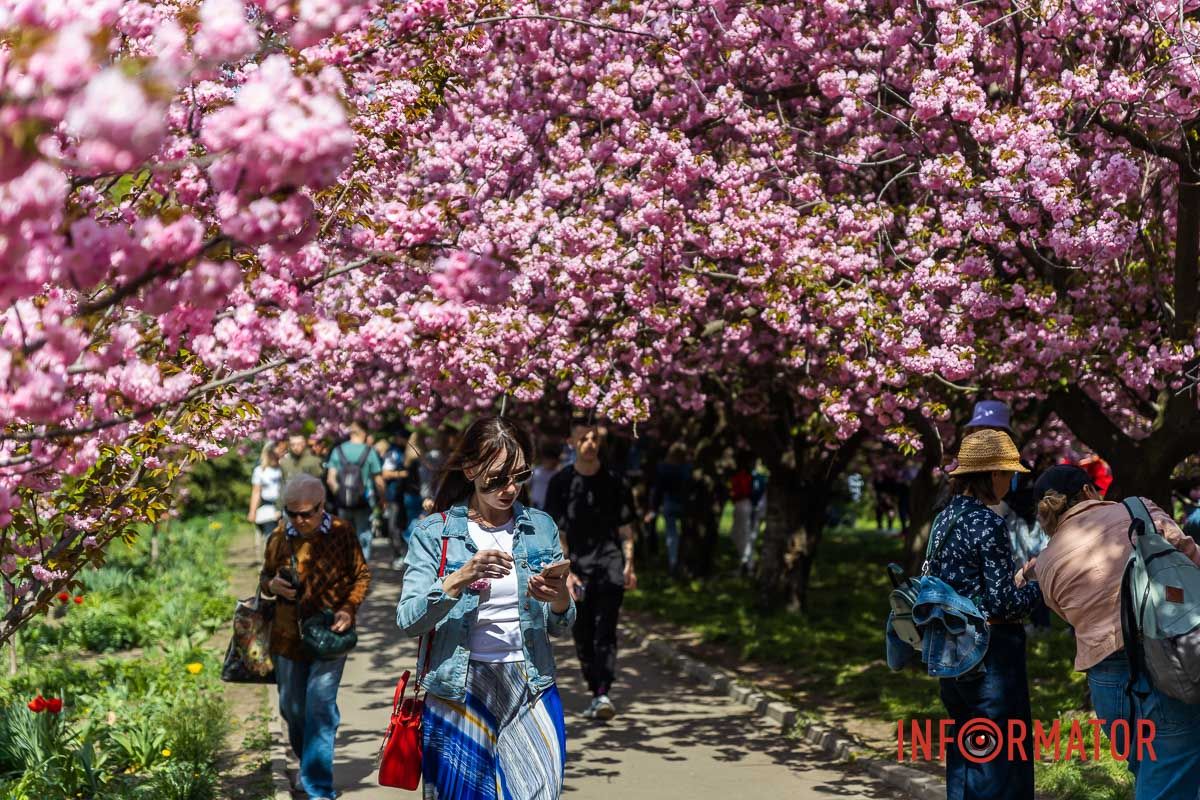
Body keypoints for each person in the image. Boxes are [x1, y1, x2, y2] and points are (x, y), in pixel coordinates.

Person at [396, 416, 574, 800]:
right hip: (457, 690)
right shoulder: (434, 532)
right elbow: (408, 619)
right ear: (471, 469)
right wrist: (459, 578)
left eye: (519, 475)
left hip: (531, 684)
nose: (510, 489)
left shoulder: (540, 527)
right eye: (498, 478)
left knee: (541, 793)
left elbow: (562, 624)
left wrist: (558, 595)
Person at [1033, 465, 1200, 800]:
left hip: (1107, 683)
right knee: (1168, 780)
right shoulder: (1138, 511)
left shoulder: (1046, 562)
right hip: (1166, 661)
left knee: (1151, 767)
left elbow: (1067, 614)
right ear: (1088, 492)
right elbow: (1189, 558)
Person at [932, 429, 1042, 800]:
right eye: (1008, 473)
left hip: (950, 646)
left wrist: (1017, 578)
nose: (1012, 481)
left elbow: (965, 583)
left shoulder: (943, 519)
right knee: (998, 756)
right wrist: (1038, 586)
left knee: (966, 747)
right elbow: (1003, 604)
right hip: (990, 651)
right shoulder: (988, 522)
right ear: (992, 474)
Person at [260, 475, 370, 800]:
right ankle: (307, 761)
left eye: (307, 513)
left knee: (320, 709)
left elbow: (361, 575)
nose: (299, 520)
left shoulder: (342, 532)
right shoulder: (278, 536)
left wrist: (349, 608)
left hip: (329, 636)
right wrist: (272, 586)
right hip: (287, 637)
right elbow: (265, 577)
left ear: (323, 506)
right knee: (292, 709)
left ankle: (318, 788)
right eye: (292, 513)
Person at [545, 421, 638, 721]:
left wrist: (629, 564)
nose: (589, 443)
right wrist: (566, 571)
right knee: (582, 632)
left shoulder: (615, 481)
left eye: (594, 438)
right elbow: (557, 531)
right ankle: (595, 688)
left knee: (606, 630)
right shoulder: (560, 483)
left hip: (609, 564)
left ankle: (602, 692)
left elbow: (626, 528)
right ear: (571, 443)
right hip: (577, 569)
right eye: (583, 438)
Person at [327, 420, 384, 559]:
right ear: (363, 433)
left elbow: (330, 480)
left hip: (343, 503)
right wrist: (382, 498)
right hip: (364, 501)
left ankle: (345, 570)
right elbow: (379, 481)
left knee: (343, 535)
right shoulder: (369, 451)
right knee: (363, 534)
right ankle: (361, 572)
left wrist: (341, 494)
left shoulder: (337, 450)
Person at [648, 442, 691, 575]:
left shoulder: (664, 468)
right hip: (685, 504)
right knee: (685, 535)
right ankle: (682, 563)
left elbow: (658, 489)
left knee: (671, 534)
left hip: (669, 503)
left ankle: (673, 562)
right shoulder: (687, 469)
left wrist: (654, 507)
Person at [247, 442, 284, 560]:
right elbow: (256, 492)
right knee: (271, 538)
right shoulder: (260, 471)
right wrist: (252, 511)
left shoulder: (284, 468)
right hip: (268, 508)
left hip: (285, 508)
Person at [381, 431, 411, 569]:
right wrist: (404, 474)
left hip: (405, 496)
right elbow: (386, 473)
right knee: (394, 526)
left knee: (403, 525)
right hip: (394, 495)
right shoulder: (393, 452)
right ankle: (398, 555)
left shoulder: (404, 450)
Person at [729, 454, 755, 573]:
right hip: (741, 504)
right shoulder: (744, 476)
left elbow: (742, 491)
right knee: (737, 534)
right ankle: (745, 561)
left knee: (744, 534)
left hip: (743, 503)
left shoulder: (744, 477)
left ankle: (747, 563)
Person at [529, 442, 561, 510]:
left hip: (549, 505)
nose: (547, 461)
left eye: (550, 459)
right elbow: (529, 484)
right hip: (534, 503)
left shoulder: (557, 474)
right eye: (546, 458)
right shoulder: (536, 470)